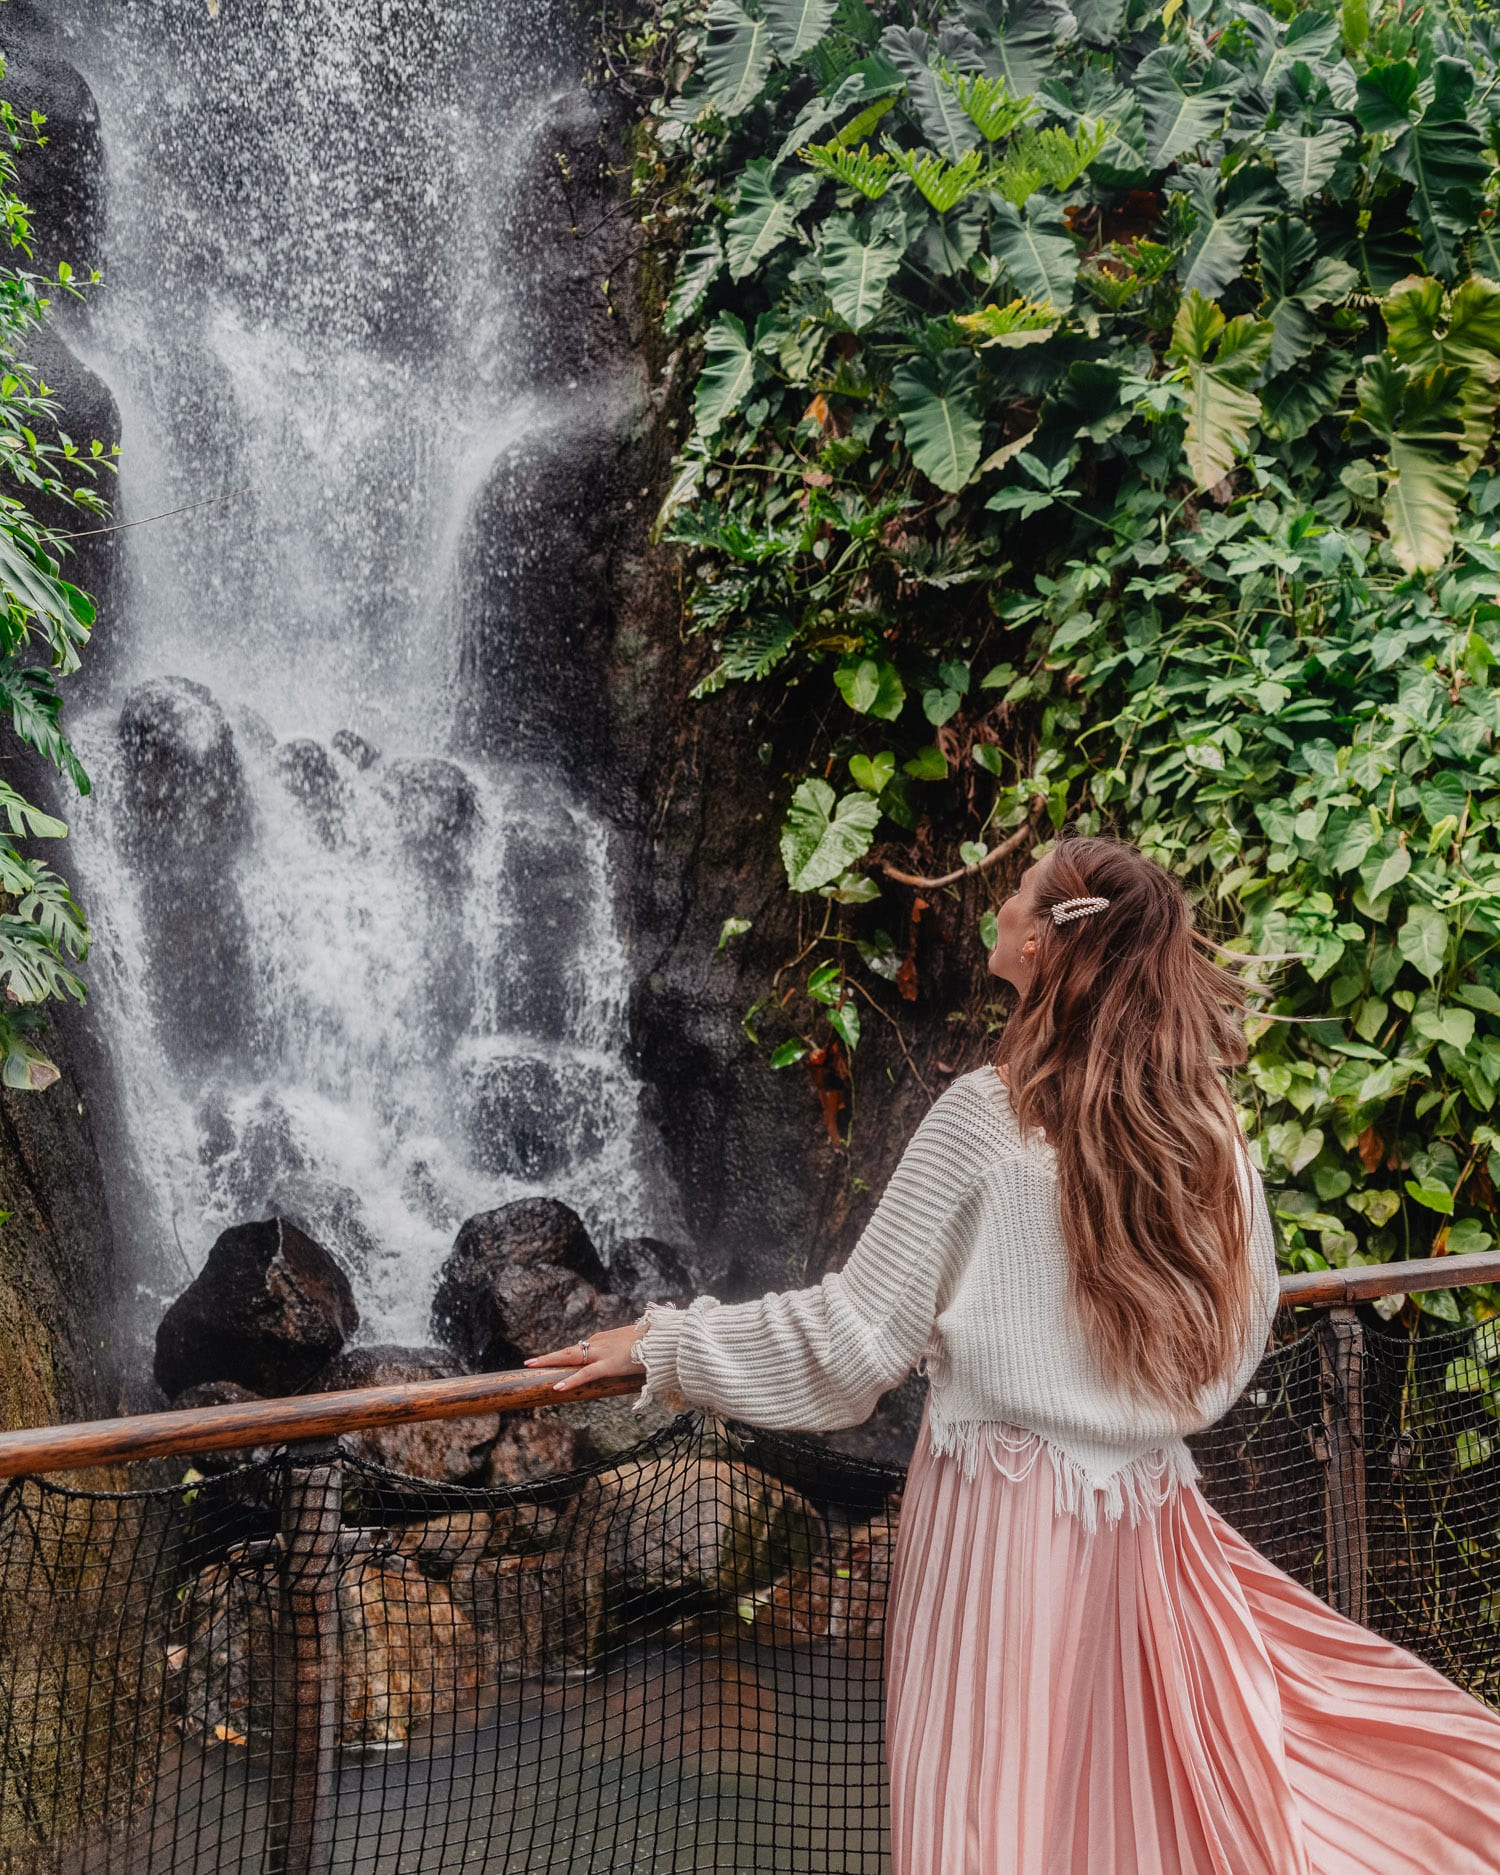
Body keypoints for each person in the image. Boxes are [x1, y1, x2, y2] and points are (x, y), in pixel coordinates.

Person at [526, 834, 1500, 1873]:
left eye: (1016, 894)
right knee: (1139, 1807)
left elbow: (853, 1344)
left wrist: (668, 1346)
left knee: (992, 1811)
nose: (996, 906)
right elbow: (1235, 1340)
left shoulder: (983, 1124)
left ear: (1043, 944)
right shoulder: (1208, 1135)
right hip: (1143, 1516)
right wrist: (1126, 1417)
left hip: (999, 1526)